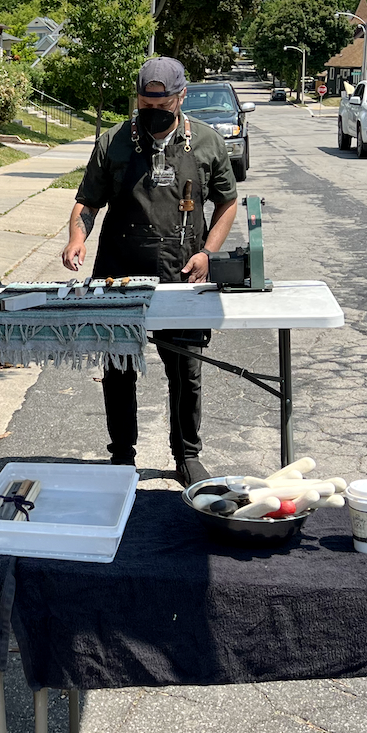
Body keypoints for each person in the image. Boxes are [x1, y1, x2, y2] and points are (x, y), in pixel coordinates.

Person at [61, 57, 239, 482]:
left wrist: (209, 253)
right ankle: (122, 452)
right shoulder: (115, 142)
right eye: (145, 103)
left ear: (181, 97)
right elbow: (88, 201)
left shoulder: (209, 143)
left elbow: (227, 203)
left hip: (182, 269)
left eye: (162, 103)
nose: (153, 111)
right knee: (119, 365)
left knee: (186, 367)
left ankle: (187, 453)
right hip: (120, 268)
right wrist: (76, 236)